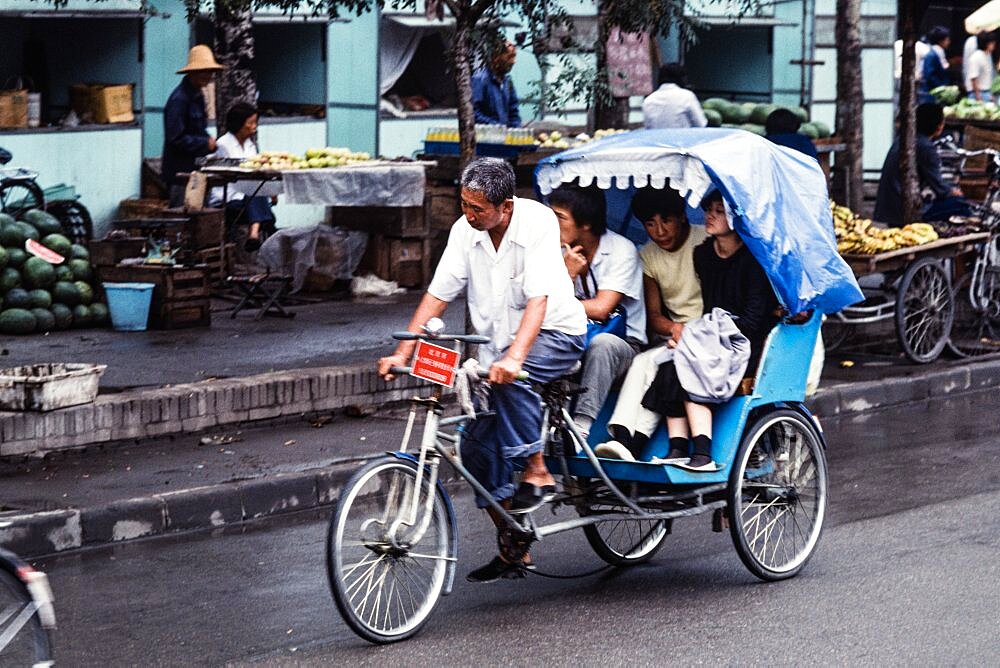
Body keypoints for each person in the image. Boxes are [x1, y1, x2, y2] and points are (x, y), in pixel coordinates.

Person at [378, 158, 586, 582]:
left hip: (557, 334)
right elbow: (438, 295)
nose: (468, 214)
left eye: (477, 208)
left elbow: (539, 299)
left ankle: (538, 470)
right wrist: (403, 351)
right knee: (473, 449)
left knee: (514, 380)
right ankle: (514, 546)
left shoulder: (538, 223)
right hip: (498, 350)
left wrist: (514, 358)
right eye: (464, 205)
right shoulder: (464, 232)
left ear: (505, 206)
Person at [600, 191, 780, 471]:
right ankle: (667, 446)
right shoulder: (705, 254)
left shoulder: (749, 257)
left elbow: (752, 319)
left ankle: (697, 453)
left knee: (676, 367)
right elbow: (703, 306)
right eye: (709, 210)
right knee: (661, 366)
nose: (709, 216)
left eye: (719, 211)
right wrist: (690, 335)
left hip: (736, 340)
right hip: (705, 335)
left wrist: (698, 336)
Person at [592, 186, 706, 461]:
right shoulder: (648, 256)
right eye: (650, 224)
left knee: (657, 364)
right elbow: (654, 317)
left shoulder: (704, 241)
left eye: (666, 221)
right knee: (643, 362)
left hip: (708, 333)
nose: (660, 231)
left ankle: (635, 443)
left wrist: (692, 331)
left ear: (681, 217)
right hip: (675, 335)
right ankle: (622, 437)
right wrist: (675, 328)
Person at [548, 185, 647, 441]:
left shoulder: (621, 250)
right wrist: (566, 275)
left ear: (586, 224)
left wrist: (565, 282)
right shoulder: (557, 251)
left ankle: (580, 428)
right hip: (576, 338)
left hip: (623, 346)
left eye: (559, 217)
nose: (552, 223)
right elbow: (541, 302)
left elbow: (602, 309)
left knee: (602, 345)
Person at [874, 102, 969, 226]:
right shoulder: (925, 146)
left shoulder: (904, 139)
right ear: (939, 126)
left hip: (889, 208)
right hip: (904, 209)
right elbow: (940, 188)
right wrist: (953, 191)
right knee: (962, 206)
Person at [210, 102, 277, 252]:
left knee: (255, 191)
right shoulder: (223, 145)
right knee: (255, 192)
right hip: (228, 195)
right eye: (251, 123)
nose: (254, 126)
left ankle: (254, 232)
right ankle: (258, 232)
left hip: (246, 194)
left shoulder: (249, 145)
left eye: (255, 122)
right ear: (239, 124)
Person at [163, 45, 223, 207]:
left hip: (196, 168)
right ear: (192, 73)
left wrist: (208, 142)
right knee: (181, 217)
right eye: (203, 71)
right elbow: (176, 138)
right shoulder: (179, 99)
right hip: (180, 172)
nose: (207, 75)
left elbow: (198, 129)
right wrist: (204, 143)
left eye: (209, 71)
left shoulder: (198, 96)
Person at [642, 63, 707, 129]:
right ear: (681, 78)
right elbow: (701, 124)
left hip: (656, 139)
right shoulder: (687, 96)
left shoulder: (648, 100)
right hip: (683, 139)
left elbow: (648, 128)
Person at [471, 41, 521, 127]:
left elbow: (514, 112)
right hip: (485, 137)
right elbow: (474, 114)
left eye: (514, 57)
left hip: (505, 137)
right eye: (509, 57)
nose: (513, 62)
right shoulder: (480, 80)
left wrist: (515, 131)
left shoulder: (507, 82)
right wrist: (497, 126)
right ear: (496, 57)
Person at [920, 26, 952, 103]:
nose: (949, 42)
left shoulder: (938, 53)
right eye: (947, 40)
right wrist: (941, 87)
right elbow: (929, 75)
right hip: (931, 94)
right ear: (941, 41)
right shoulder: (932, 55)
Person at [965, 32, 997, 102]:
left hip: (986, 92)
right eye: (992, 42)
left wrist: (990, 94)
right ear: (987, 44)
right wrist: (978, 97)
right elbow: (973, 78)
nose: (994, 44)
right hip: (978, 94)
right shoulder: (976, 57)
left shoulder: (987, 55)